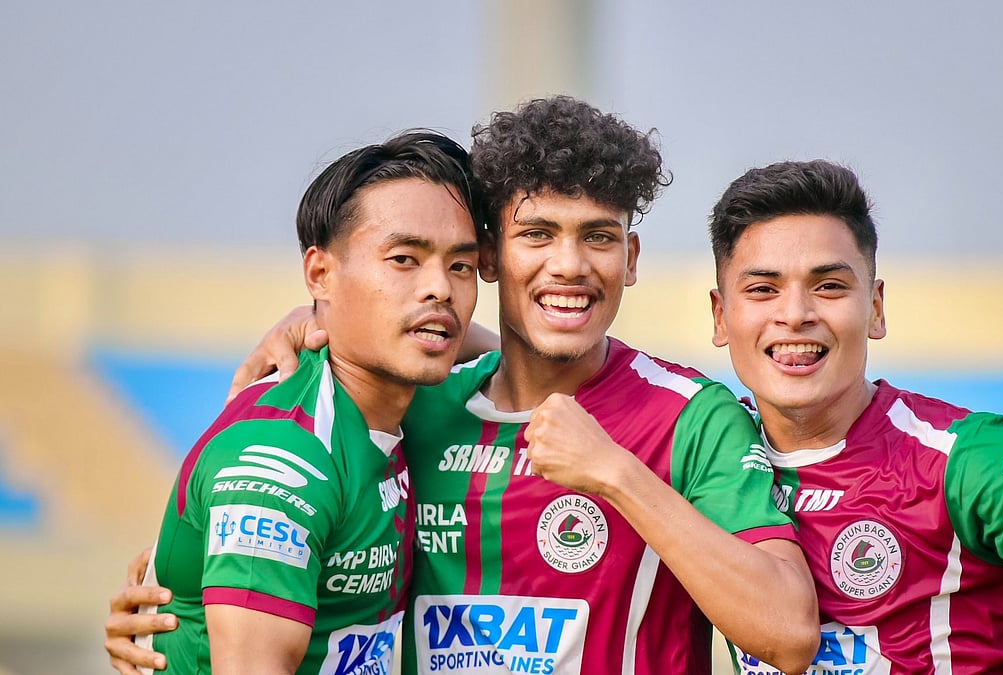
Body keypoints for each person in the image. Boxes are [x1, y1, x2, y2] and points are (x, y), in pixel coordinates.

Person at [106, 96, 821, 675]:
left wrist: (616, 473)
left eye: (599, 237)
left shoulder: (692, 416)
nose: (570, 265)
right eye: (537, 234)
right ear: (489, 256)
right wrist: (179, 625)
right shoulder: (418, 405)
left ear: (629, 256)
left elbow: (789, 635)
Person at [706, 160, 1003, 673]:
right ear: (721, 316)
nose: (795, 314)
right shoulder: (708, 456)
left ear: (874, 308)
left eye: (829, 286)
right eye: (763, 290)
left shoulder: (964, 455)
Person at [126, 130, 487, 674]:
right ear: (320, 273)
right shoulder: (281, 461)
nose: (439, 287)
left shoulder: (402, 404)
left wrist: (322, 317)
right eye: (404, 259)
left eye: (460, 266)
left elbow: (530, 367)